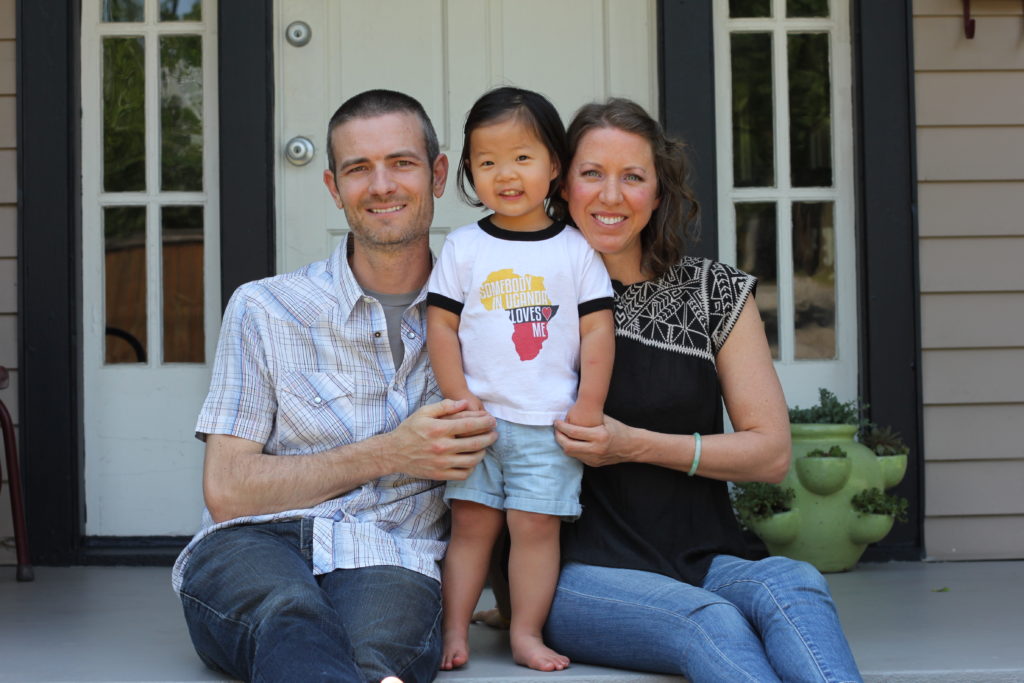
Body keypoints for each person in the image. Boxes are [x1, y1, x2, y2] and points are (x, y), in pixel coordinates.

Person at [171, 89, 497, 683]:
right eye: (357, 169)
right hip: (256, 543)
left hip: (392, 554)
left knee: (377, 656)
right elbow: (227, 490)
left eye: (401, 163)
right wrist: (392, 452)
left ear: (439, 174)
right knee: (287, 614)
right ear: (332, 187)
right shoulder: (265, 308)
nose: (381, 185)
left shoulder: (486, 316)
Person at [536, 98, 864, 682]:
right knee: (710, 622)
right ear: (562, 186)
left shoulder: (712, 292)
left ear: (658, 194)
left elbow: (770, 452)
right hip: (571, 571)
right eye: (592, 174)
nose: (611, 196)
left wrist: (633, 443)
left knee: (795, 582)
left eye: (633, 177)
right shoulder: (525, 296)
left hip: (705, 557)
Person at [426, 87, 615, 672]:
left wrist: (588, 406)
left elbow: (597, 335)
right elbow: (441, 327)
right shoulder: (463, 247)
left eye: (522, 158)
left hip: (547, 425)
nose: (505, 174)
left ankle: (525, 633)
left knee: (535, 531)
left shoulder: (577, 251)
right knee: (471, 528)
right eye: (487, 162)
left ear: (554, 165)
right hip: (478, 422)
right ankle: (453, 628)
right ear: (468, 172)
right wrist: (459, 400)